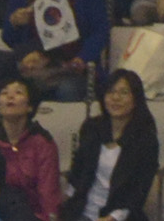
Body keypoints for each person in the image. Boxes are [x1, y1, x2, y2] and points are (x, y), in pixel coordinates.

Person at [60, 72, 158, 221]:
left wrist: (113, 217)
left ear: (136, 99)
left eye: (124, 92)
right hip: (82, 212)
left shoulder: (146, 140)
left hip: (121, 216)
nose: (116, 98)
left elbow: (139, 191)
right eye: (111, 92)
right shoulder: (91, 128)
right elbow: (77, 174)